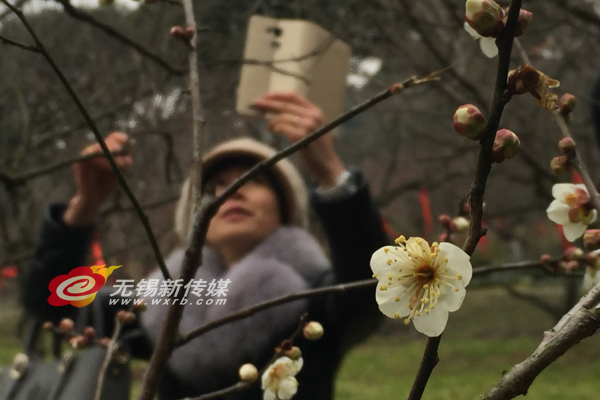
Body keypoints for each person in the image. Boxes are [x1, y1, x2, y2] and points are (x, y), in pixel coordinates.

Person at [22, 92, 389, 400]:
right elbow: (54, 301)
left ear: (284, 206)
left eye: (255, 179)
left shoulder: (317, 293)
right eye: (213, 185)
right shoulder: (162, 302)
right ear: (194, 219)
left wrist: (330, 175)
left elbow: (370, 290)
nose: (232, 191)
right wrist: (83, 208)